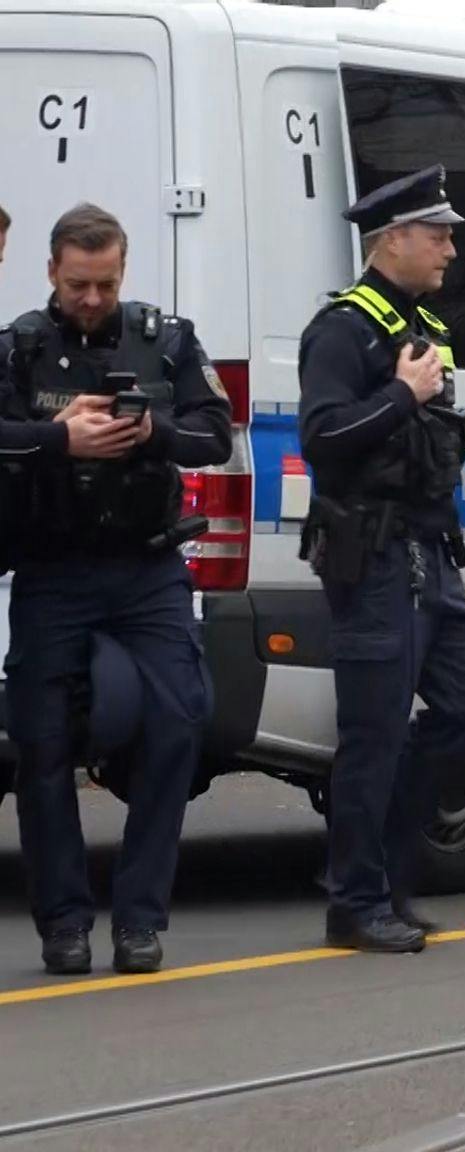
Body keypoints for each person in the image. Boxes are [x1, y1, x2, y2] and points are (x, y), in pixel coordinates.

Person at [0, 203, 231, 975]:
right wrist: (58, 437)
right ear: (51, 273)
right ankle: (64, 924)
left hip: (147, 568)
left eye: (103, 283)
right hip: (54, 569)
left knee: (179, 723)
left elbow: (215, 437)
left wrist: (151, 434)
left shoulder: (167, 339)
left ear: (123, 271)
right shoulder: (20, 347)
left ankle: (139, 920)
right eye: (76, 285)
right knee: (40, 745)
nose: (91, 300)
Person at [297, 166, 465, 953]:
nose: (450, 245)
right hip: (374, 558)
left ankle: (387, 873)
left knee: (464, 704)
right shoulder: (343, 331)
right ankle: (356, 900)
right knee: (373, 733)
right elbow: (322, 437)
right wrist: (402, 399)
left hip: (431, 556)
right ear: (392, 240)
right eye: (437, 232)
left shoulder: (425, 326)